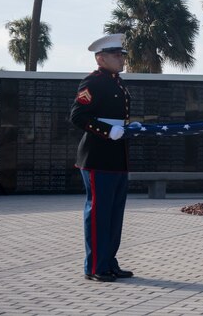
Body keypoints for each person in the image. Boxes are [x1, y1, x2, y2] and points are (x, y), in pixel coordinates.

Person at [70, 33, 134, 282]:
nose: (121, 59)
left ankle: (109, 262)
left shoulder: (118, 82)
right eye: (116, 55)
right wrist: (108, 130)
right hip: (97, 158)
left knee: (114, 214)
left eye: (121, 55)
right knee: (98, 213)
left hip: (117, 157)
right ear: (101, 58)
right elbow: (77, 116)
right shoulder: (92, 82)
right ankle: (95, 266)